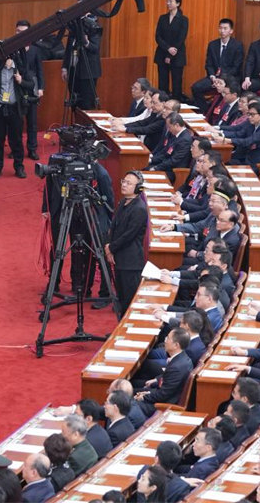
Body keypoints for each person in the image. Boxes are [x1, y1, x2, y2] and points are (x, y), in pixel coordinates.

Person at [0, 54, 33, 178]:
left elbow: (31, 84)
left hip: (15, 109)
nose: (8, 62)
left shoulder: (20, 69)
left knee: (16, 140)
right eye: (6, 59)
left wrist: (21, 81)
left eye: (10, 59)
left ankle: (19, 167)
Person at [105, 171, 148, 315]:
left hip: (131, 262)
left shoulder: (139, 209)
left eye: (128, 183)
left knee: (129, 302)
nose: (124, 185)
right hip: (119, 257)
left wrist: (111, 247)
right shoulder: (123, 202)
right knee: (121, 299)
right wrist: (109, 246)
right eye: (124, 181)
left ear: (138, 188)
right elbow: (114, 227)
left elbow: (128, 235)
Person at [134, 328, 193, 416]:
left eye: (168, 338)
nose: (165, 340)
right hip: (163, 394)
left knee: (127, 402)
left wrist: (144, 397)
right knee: (133, 386)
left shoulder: (176, 367)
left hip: (164, 406)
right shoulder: (182, 358)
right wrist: (156, 382)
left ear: (176, 345)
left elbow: (163, 395)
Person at [191, 18, 244, 112]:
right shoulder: (212, 44)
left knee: (231, 89)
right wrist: (212, 77)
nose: (222, 31)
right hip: (214, 78)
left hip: (230, 78)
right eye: (220, 28)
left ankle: (226, 112)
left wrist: (223, 79)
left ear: (231, 31)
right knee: (196, 87)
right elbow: (209, 64)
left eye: (225, 28)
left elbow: (236, 67)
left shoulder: (238, 45)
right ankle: (206, 112)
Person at [15, 20, 45, 160]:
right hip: (17, 89)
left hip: (32, 88)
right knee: (16, 122)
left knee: (32, 122)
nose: (20, 34)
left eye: (24, 31)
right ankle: (16, 148)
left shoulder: (35, 50)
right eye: (18, 31)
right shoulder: (12, 49)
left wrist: (41, 88)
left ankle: (32, 149)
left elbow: (40, 70)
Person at [61, 10, 102, 110]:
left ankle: (86, 125)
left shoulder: (94, 27)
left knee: (87, 103)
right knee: (74, 101)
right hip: (73, 70)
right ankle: (76, 124)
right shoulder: (73, 28)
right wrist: (64, 67)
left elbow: (95, 48)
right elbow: (68, 49)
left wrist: (86, 42)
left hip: (88, 72)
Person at [154, 0, 189, 100]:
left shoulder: (183, 19)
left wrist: (171, 54)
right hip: (162, 53)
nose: (168, 3)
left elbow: (181, 38)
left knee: (176, 85)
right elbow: (158, 36)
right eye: (167, 1)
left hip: (177, 55)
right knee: (162, 84)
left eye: (170, 1)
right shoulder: (162, 18)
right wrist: (168, 49)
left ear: (178, 3)